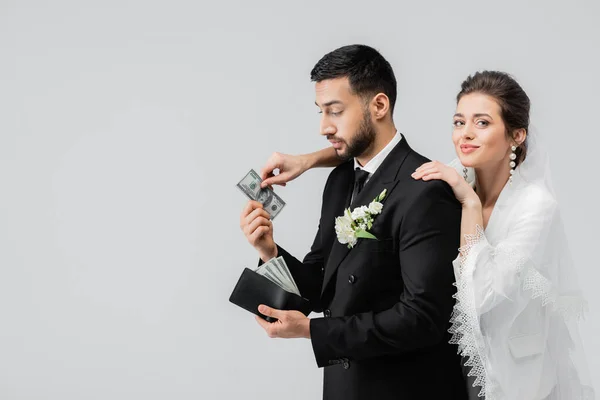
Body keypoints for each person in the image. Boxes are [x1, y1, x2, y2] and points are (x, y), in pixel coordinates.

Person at [258, 70, 595, 399]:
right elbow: (383, 158)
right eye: (459, 122)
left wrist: (470, 204)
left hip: (513, 371)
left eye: (482, 122)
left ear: (517, 135)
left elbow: (481, 296)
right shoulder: (454, 172)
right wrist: (307, 161)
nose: (465, 134)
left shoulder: (535, 205)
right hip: (453, 366)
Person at [239, 44, 468, 400]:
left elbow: (423, 318)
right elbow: (319, 285)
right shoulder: (341, 179)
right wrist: (269, 251)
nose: (323, 127)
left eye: (335, 111)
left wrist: (316, 332)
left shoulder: (424, 190)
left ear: (379, 105)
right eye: (320, 112)